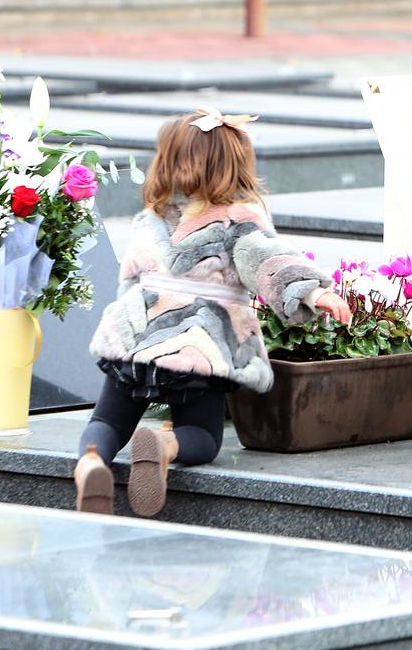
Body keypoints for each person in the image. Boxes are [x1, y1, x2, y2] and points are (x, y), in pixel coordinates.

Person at [73, 108, 349, 516]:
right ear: (235, 164)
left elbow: (129, 277)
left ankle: (90, 463)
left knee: (108, 421)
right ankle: (167, 445)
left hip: (136, 338)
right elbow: (268, 260)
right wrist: (312, 292)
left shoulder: (152, 218)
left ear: (168, 162)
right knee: (203, 434)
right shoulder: (239, 220)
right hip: (197, 344)